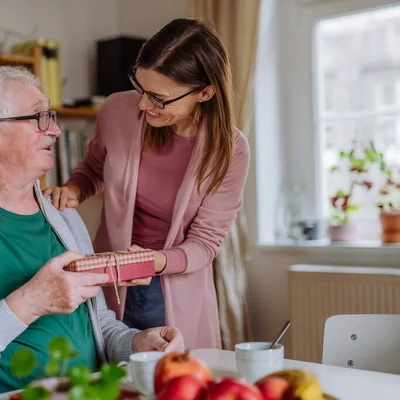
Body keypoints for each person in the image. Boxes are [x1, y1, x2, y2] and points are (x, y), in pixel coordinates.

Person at [0, 66, 184, 400]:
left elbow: (97, 326)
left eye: (51, 116)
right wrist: (29, 302)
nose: (56, 131)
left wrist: (136, 344)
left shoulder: (64, 217)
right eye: (38, 118)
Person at [44, 18, 250, 350]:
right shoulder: (116, 110)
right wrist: (73, 190)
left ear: (205, 92)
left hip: (172, 289)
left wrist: (152, 262)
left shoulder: (230, 150)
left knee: (172, 381)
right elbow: (95, 166)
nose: (142, 105)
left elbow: (206, 243)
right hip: (107, 279)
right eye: (139, 87)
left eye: (158, 98)